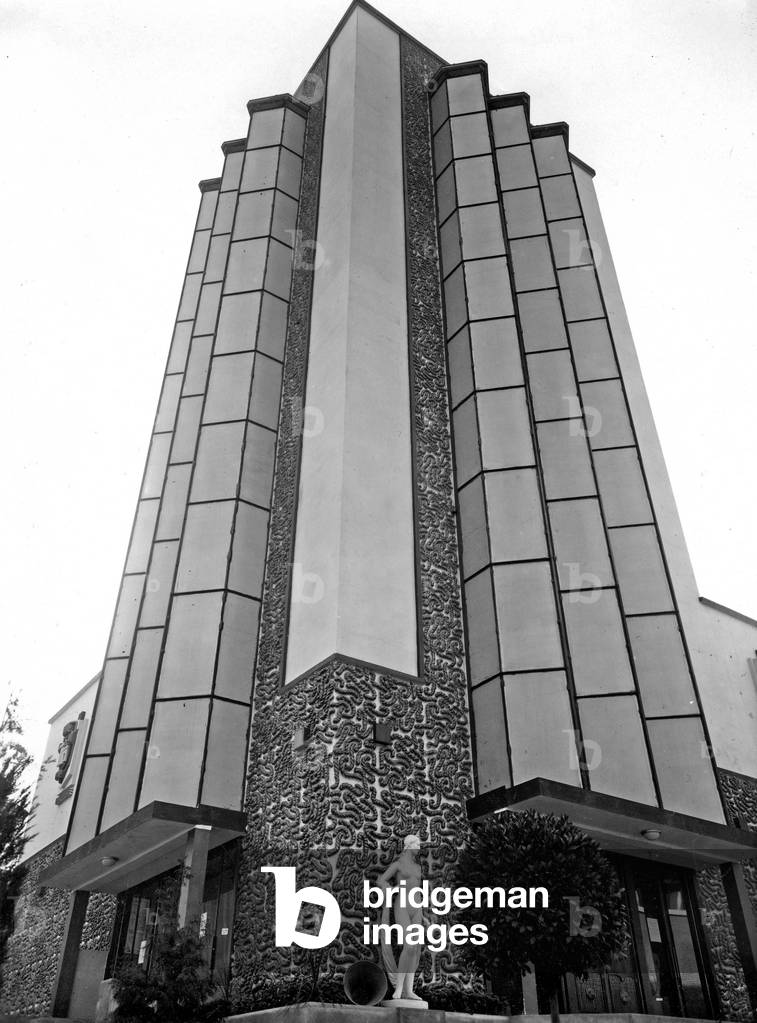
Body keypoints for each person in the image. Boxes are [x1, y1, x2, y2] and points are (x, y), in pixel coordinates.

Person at [376, 834, 428, 1001]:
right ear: (409, 845)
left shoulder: (418, 867)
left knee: (414, 949)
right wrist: (393, 888)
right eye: (417, 844)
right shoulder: (398, 864)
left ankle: (409, 990)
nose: (419, 847)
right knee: (410, 946)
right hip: (402, 905)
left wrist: (424, 915)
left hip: (416, 907)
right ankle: (398, 989)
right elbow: (381, 881)